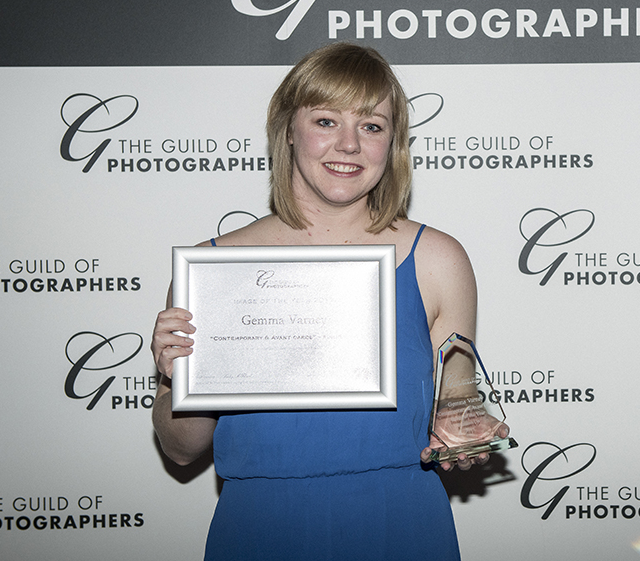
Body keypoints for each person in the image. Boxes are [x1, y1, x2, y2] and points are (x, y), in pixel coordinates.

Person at [151, 42, 505, 560]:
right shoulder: (211, 270)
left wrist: (465, 426)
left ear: (393, 143)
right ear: (288, 130)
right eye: (325, 121)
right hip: (259, 529)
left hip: (401, 525)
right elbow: (182, 450)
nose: (348, 145)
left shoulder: (437, 259)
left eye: (371, 126)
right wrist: (184, 373)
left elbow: (457, 396)